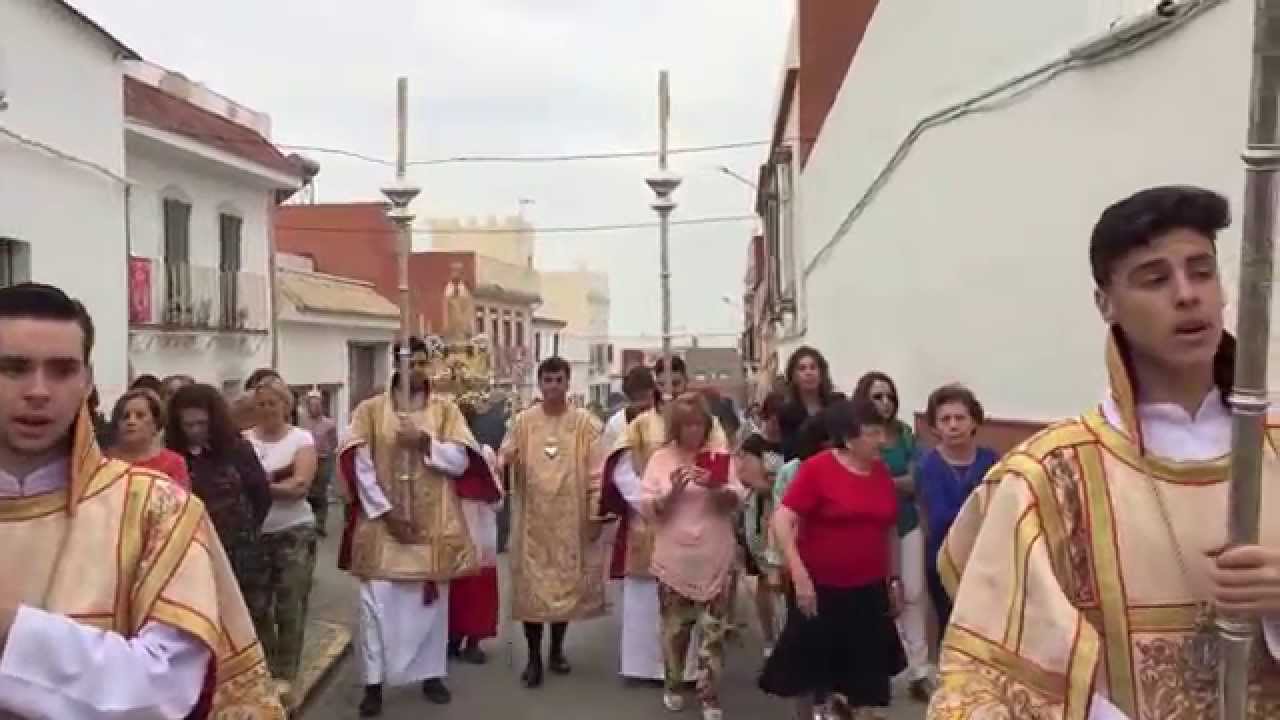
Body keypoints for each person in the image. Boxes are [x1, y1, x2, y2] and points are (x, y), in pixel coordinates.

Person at [928, 186, 1280, 718]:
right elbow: (985, 680)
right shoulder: (1050, 477)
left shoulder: (1272, 446)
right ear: (1105, 303)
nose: (1187, 295)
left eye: (1202, 271)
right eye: (1155, 279)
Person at [0, 282, 284, 718]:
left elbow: (163, 689)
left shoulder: (159, 509)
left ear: (87, 382)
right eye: (13, 368)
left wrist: (11, 634)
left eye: (61, 370)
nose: (38, 390)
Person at [337, 337, 499, 718]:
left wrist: (426, 444)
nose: (413, 368)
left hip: (433, 527)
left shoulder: (445, 412)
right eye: (405, 360)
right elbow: (358, 463)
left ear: (428, 364)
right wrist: (387, 513)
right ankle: (373, 684)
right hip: (382, 526)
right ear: (394, 362)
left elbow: (461, 461)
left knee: (432, 608)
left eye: (420, 361)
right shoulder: (370, 411)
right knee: (374, 607)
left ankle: (431, 675)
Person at [761, 398, 906, 720]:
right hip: (820, 588)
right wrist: (799, 575)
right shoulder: (818, 469)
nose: (881, 441)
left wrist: (894, 579)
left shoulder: (880, 473)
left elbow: (888, 529)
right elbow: (783, 519)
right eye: (871, 433)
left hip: (868, 590)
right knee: (809, 673)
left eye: (882, 432)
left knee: (863, 678)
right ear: (849, 437)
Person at [598, 368, 724, 684]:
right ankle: (644, 666)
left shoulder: (710, 425)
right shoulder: (641, 424)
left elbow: (719, 464)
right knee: (644, 595)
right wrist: (646, 497)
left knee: (692, 594)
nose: (672, 391)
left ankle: (691, 668)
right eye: (665, 385)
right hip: (650, 518)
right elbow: (621, 468)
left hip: (696, 516)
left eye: (677, 383)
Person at [498, 356, 608, 689]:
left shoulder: (586, 425)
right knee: (533, 590)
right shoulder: (522, 422)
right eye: (547, 380)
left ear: (568, 382)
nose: (553, 386)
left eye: (559, 380)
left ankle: (557, 649)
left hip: (569, 521)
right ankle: (533, 658)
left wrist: (595, 512)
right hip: (533, 521)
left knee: (563, 588)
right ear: (540, 383)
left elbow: (597, 471)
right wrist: (505, 460)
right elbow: (506, 454)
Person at [640, 393, 746, 720]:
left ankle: (709, 694)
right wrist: (672, 492)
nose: (693, 431)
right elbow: (648, 506)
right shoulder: (661, 459)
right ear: (675, 427)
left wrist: (717, 487)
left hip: (714, 553)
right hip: (674, 557)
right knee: (676, 630)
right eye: (686, 425)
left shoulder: (717, 456)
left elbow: (737, 498)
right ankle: (673, 683)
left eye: (698, 424)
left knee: (713, 632)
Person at [854, 370, 931, 701]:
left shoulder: (905, 435)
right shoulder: (857, 435)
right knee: (878, 598)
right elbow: (857, 478)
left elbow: (914, 482)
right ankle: (880, 669)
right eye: (877, 396)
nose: (885, 403)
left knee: (912, 593)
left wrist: (882, 480)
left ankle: (919, 670)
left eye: (889, 396)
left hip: (906, 523)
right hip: (868, 529)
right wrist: (891, 481)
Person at [167, 383, 272, 618]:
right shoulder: (174, 458)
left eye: (201, 424)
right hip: (196, 557)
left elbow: (261, 495)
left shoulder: (237, 450)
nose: (195, 430)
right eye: (188, 425)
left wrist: (245, 530)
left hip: (243, 558)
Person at [245, 377, 318, 693]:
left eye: (272, 403)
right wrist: (276, 483)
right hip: (255, 534)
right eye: (260, 404)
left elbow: (299, 487)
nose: (266, 410)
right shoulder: (244, 440)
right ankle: (265, 670)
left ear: (286, 406)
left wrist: (260, 487)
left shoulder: (301, 439)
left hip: (293, 532)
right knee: (256, 605)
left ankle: (286, 674)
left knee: (290, 605)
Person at [914, 383, 996, 633]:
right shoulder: (929, 465)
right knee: (951, 630)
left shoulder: (990, 460)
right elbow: (940, 517)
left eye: (960, 418)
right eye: (945, 419)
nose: (953, 425)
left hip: (986, 562)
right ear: (935, 427)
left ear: (974, 422)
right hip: (943, 562)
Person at [737, 391, 786, 657]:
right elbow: (753, 480)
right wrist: (780, 486)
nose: (777, 425)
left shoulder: (794, 442)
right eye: (774, 419)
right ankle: (769, 637)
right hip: (762, 516)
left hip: (788, 515)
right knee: (767, 577)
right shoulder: (755, 443)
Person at [447, 442, 503, 665]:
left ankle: (472, 641)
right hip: (453, 529)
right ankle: (452, 639)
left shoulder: (484, 452)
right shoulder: (444, 450)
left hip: (480, 529)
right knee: (453, 588)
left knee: (478, 589)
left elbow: (497, 497)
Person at [107, 387, 191, 490]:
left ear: (155, 424)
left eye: (140, 416)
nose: (131, 421)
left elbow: (182, 503)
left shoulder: (174, 463)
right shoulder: (104, 461)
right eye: (125, 416)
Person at [777, 347, 843, 460]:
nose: (809, 372)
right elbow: (791, 453)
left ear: (821, 373)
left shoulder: (837, 402)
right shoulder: (787, 412)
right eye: (802, 369)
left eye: (813, 367)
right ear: (794, 377)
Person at [302, 390, 338, 537]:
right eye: (312, 405)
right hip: (308, 459)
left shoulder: (329, 424)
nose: (315, 408)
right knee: (308, 491)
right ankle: (309, 522)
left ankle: (320, 524)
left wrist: (330, 458)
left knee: (321, 491)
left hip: (324, 460)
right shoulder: (303, 424)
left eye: (318, 405)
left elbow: (334, 442)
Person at [602, 365, 659, 452]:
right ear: (628, 399)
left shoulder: (664, 419)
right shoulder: (616, 425)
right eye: (636, 399)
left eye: (646, 396)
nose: (642, 403)